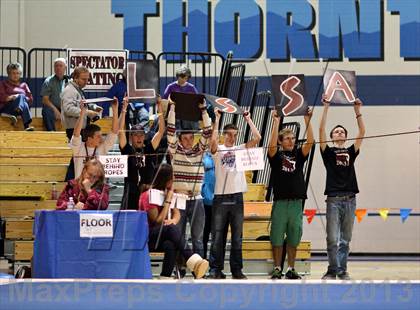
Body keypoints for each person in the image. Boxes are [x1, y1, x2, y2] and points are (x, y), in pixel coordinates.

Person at [208, 109, 261, 279]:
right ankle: (215, 269)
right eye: (229, 134)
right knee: (218, 236)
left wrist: (248, 119)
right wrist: (216, 119)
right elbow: (213, 143)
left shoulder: (240, 148)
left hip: (237, 197)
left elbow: (258, 138)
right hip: (220, 197)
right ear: (224, 135)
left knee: (237, 237)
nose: (231, 137)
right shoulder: (219, 150)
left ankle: (237, 270)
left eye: (234, 134)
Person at [319, 96, 366, 280]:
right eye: (336, 132)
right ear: (332, 137)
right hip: (333, 199)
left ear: (345, 136)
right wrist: (326, 107)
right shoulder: (328, 153)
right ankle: (332, 270)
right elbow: (321, 129)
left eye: (341, 131)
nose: (339, 133)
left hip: (350, 199)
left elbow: (362, 131)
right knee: (332, 239)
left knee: (345, 239)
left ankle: (342, 270)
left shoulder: (351, 152)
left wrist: (357, 110)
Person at [139, 164, 209, 279]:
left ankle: (165, 276)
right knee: (171, 229)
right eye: (172, 178)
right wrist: (168, 201)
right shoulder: (148, 196)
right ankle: (193, 260)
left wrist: (173, 220)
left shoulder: (167, 191)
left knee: (171, 243)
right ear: (165, 180)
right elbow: (158, 222)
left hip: (163, 236)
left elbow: (177, 214)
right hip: (148, 236)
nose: (174, 180)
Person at [267, 108, 314, 280]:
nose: (291, 140)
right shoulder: (276, 156)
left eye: (293, 138)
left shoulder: (298, 155)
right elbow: (271, 147)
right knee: (277, 235)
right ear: (281, 142)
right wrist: (275, 121)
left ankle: (291, 269)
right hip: (280, 202)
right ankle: (278, 267)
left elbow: (310, 142)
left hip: (296, 203)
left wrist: (307, 119)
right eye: (287, 138)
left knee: (294, 235)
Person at [167, 97, 212, 259]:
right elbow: (170, 130)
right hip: (179, 199)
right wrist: (172, 108)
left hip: (197, 199)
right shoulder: (175, 151)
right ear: (179, 140)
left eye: (191, 137)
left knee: (198, 239)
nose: (188, 140)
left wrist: (204, 111)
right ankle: (180, 268)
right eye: (185, 138)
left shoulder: (200, 151)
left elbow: (207, 132)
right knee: (179, 238)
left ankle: (199, 270)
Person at [119, 96, 165, 210]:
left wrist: (159, 108)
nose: (139, 137)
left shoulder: (149, 149)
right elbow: (120, 132)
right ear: (131, 137)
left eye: (141, 135)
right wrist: (124, 109)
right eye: (135, 135)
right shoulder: (127, 150)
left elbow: (161, 132)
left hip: (147, 192)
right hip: (131, 192)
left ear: (144, 136)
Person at [70, 97, 120, 179]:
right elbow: (76, 134)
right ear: (89, 138)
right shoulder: (79, 148)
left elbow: (114, 132)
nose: (101, 138)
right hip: (81, 188)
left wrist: (115, 111)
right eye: (98, 136)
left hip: (97, 189)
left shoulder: (102, 147)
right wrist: (82, 113)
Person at [61, 66, 101, 140]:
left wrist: (94, 107)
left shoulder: (77, 90)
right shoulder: (69, 90)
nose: (86, 82)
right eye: (83, 79)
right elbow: (68, 109)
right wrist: (87, 112)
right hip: (73, 129)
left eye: (87, 79)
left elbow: (82, 104)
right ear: (75, 78)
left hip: (80, 128)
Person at [163, 65, 199, 130]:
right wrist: (170, 101)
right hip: (174, 110)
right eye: (181, 77)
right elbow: (164, 100)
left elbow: (197, 100)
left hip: (187, 111)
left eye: (185, 78)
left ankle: (194, 131)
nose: (183, 80)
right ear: (178, 76)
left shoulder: (191, 87)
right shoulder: (170, 86)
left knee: (189, 116)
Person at [0, 62, 33, 131]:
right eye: (13, 73)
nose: (16, 75)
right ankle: (26, 125)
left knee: (22, 99)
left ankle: (17, 111)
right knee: (21, 98)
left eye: (18, 73)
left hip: (20, 109)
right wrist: (13, 97)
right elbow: (2, 97)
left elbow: (30, 99)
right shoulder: (3, 84)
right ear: (9, 74)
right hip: (7, 108)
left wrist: (20, 97)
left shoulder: (24, 85)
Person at [41, 58, 68, 131]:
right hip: (53, 108)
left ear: (65, 67)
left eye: (60, 66)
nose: (58, 68)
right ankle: (51, 133)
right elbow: (45, 100)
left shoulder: (70, 81)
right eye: (56, 66)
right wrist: (56, 110)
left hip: (67, 108)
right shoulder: (48, 81)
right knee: (46, 110)